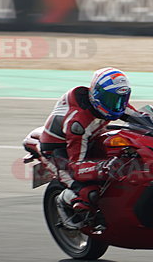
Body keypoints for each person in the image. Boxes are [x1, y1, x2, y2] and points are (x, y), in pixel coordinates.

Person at [36, 67, 133, 229]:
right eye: (111, 99)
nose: (116, 105)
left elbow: (140, 118)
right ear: (97, 96)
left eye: (121, 98)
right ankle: (63, 201)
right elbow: (76, 167)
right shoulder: (79, 123)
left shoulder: (115, 104)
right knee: (89, 193)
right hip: (58, 152)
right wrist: (103, 167)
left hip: (88, 141)